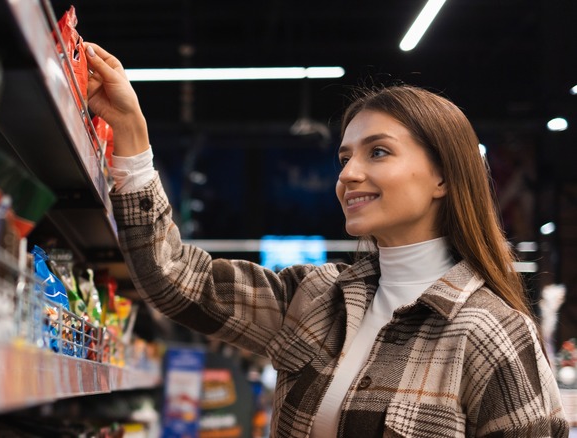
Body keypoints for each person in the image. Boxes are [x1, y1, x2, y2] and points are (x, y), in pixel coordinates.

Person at [82, 41, 569, 437]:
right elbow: (173, 277)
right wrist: (130, 132)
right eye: (344, 158)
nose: (350, 173)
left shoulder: (492, 336)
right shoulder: (317, 298)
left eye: (378, 152)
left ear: (443, 177)